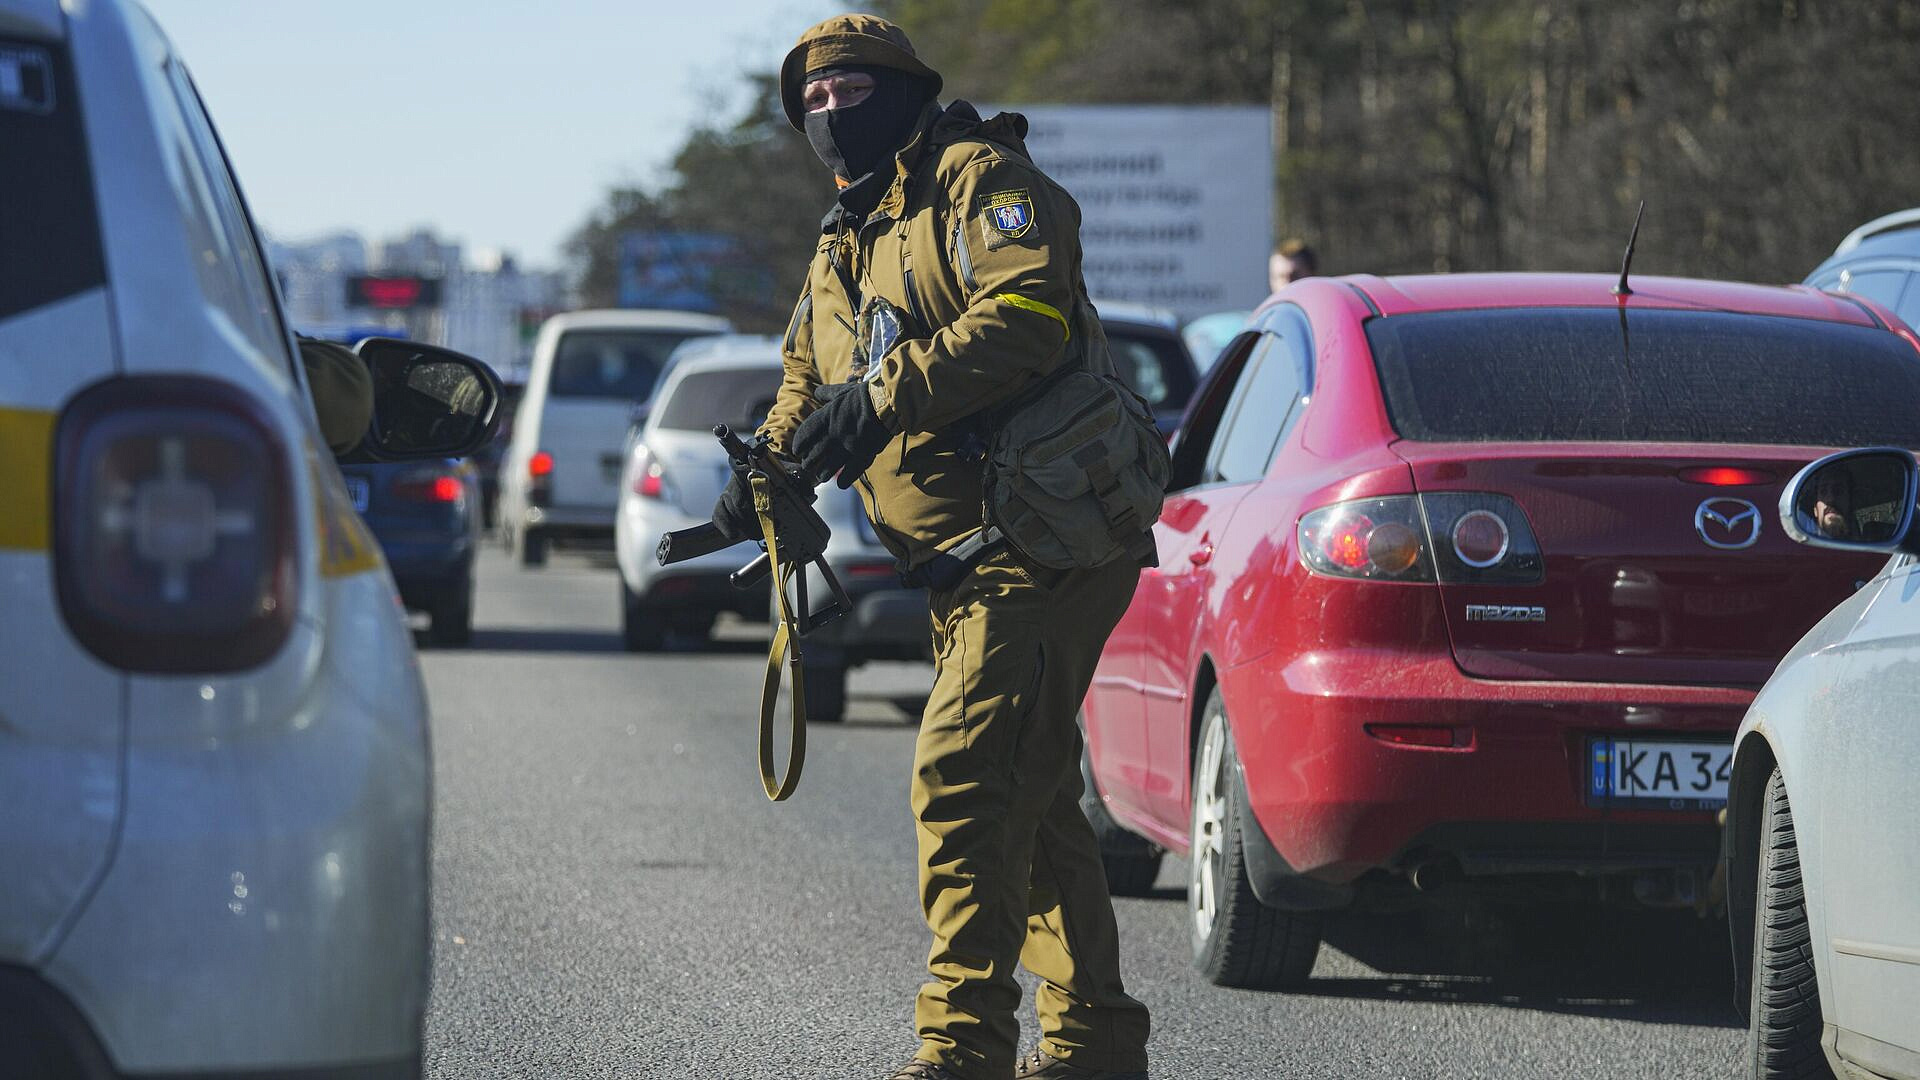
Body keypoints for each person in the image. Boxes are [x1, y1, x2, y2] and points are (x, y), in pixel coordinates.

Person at [709, 15, 1153, 1080]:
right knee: (1032, 797)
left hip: (1040, 539)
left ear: (907, 89)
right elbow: (807, 385)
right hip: (954, 565)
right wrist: (765, 473)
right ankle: (1094, 1043)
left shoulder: (978, 181)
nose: (830, 113)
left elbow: (1030, 311)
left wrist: (884, 398)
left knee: (962, 780)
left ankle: (960, 1050)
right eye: (810, 101)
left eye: (851, 89)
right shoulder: (840, 240)